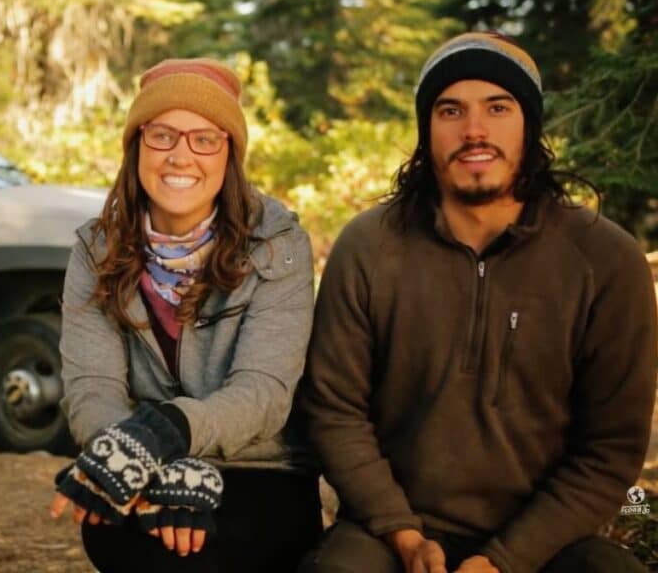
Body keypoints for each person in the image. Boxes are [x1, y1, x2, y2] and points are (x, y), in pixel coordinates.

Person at [296, 31, 657, 573]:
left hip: (545, 544)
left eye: (497, 107)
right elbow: (334, 410)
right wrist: (402, 532)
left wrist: (503, 560)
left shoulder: (604, 260)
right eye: (450, 110)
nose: (474, 130)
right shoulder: (370, 247)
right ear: (427, 129)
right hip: (389, 532)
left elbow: (608, 451)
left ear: (529, 124)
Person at [49, 58, 321, 572]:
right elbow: (92, 388)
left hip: (259, 470)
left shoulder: (278, 245)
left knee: (198, 554)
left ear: (229, 154)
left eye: (204, 139)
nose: (180, 156)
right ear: (136, 146)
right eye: (162, 136)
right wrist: (146, 459)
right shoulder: (95, 248)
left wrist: (170, 430)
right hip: (144, 459)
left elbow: (263, 394)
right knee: (119, 534)